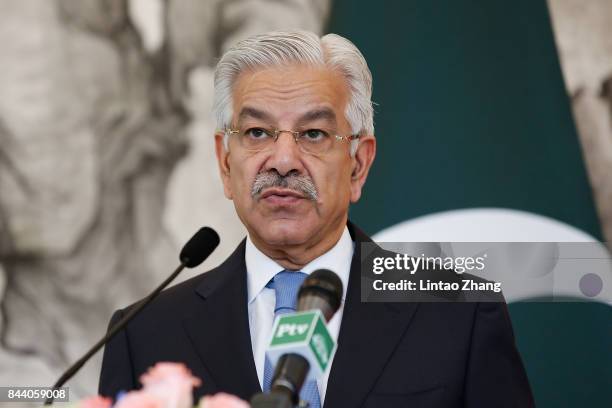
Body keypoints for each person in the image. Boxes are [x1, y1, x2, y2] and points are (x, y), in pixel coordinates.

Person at [99, 30, 534, 407]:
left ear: (358, 165)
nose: (283, 160)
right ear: (225, 163)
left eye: (313, 133)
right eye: (256, 133)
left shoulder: (458, 316)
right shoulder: (146, 335)